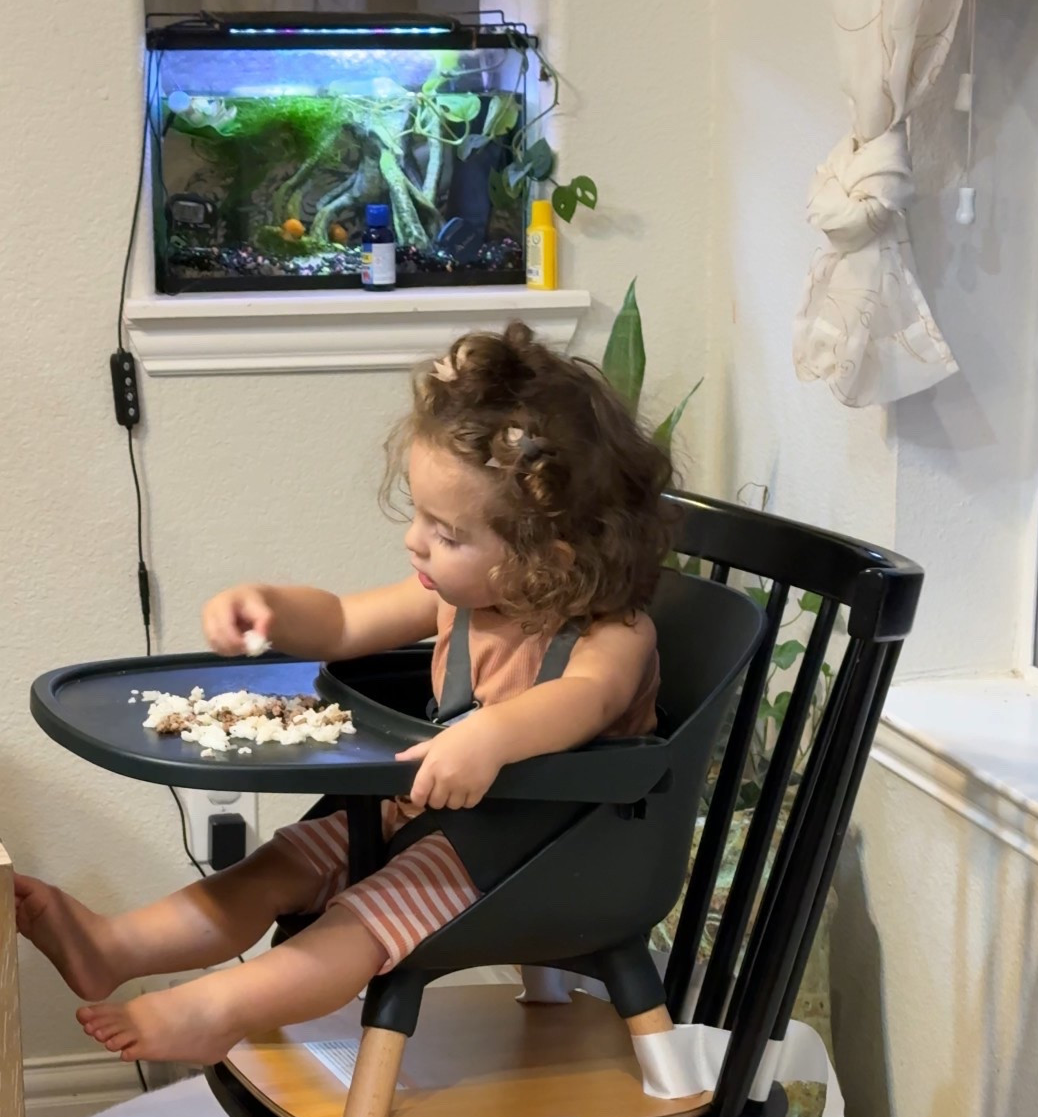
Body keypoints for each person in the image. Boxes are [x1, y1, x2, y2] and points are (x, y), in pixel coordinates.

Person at [16, 322, 675, 1067]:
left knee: (362, 919)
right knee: (280, 864)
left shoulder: (615, 635)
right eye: (418, 515)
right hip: (427, 813)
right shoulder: (457, 598)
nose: (416, 542)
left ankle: (217, 1008)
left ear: (546, 559)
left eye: (446, 533)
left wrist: (493, 736)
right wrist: (272, 607)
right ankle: (113, 945)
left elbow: (585, 698)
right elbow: (340, 622)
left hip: (543, 850)